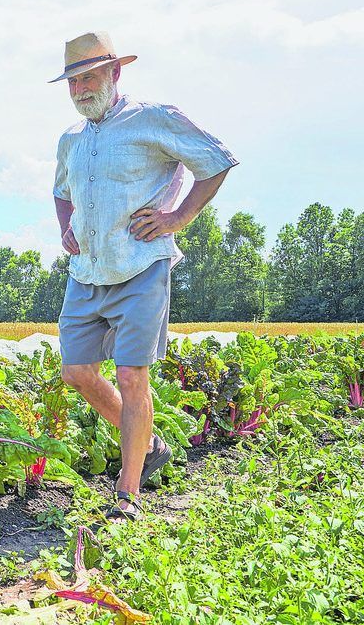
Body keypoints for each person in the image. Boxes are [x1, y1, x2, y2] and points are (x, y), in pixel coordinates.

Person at [49, 32, 237, 520]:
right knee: (76, 372)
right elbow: (61, 190)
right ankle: (149, 445)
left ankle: (127, 494)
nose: (81, 87)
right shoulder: (71, 138)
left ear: (116, 73)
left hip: (140, 266)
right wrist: (65, 226)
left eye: (90, 75)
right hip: (87, 270)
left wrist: (177, 219)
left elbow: (214, 163)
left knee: (132, 375)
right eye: (73, 80)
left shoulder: (154, 118)